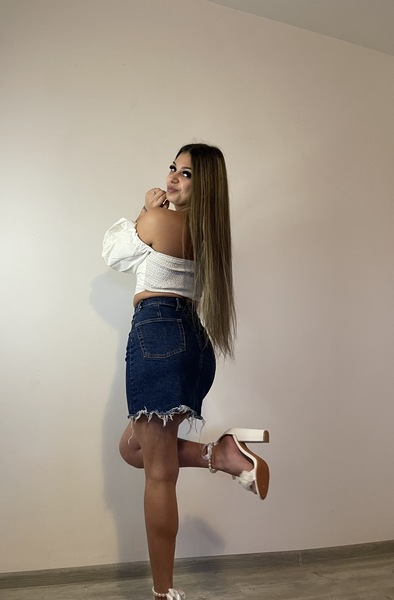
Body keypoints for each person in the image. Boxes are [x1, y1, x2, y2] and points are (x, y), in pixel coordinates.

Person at [102, 143, 270, 600]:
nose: (173, 178)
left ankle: (164, 592)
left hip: (158, 338)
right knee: (132, 449)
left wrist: (144, 209)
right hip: (193, 343)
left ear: (206, 186)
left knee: (159, 475)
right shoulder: (209, 237)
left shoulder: (159, 221)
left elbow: (114, 254)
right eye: (173, 168)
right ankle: (222, 454)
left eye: (187, 174)